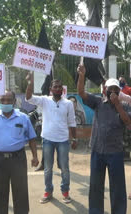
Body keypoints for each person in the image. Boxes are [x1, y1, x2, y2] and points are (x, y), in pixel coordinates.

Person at [77, 64, 131, 214]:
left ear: (119, 91)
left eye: (116, 90)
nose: (113, 92)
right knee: (95, 186)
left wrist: (117, 104)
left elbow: (128, 123)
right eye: (110, 89)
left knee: (117, 187)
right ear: (105, 90)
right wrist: (82, 75)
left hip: (115, 152)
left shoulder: (125, 106)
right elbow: (81, 92)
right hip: (97, 151)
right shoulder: (98, 102)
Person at [25, 73, 77, 204]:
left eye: (60, 87)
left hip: (63, 140)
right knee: (48, 168)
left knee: (64, 168)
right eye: (55, 87)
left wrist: (74, 139)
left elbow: (72, 122)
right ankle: (48, 191)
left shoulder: (68, 104)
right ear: (51, 89)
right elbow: (28, 97)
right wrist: (30, 83)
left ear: (62, 90)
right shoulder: (44, 100)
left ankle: (65, 192)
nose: (58, 89)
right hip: (48, 139)